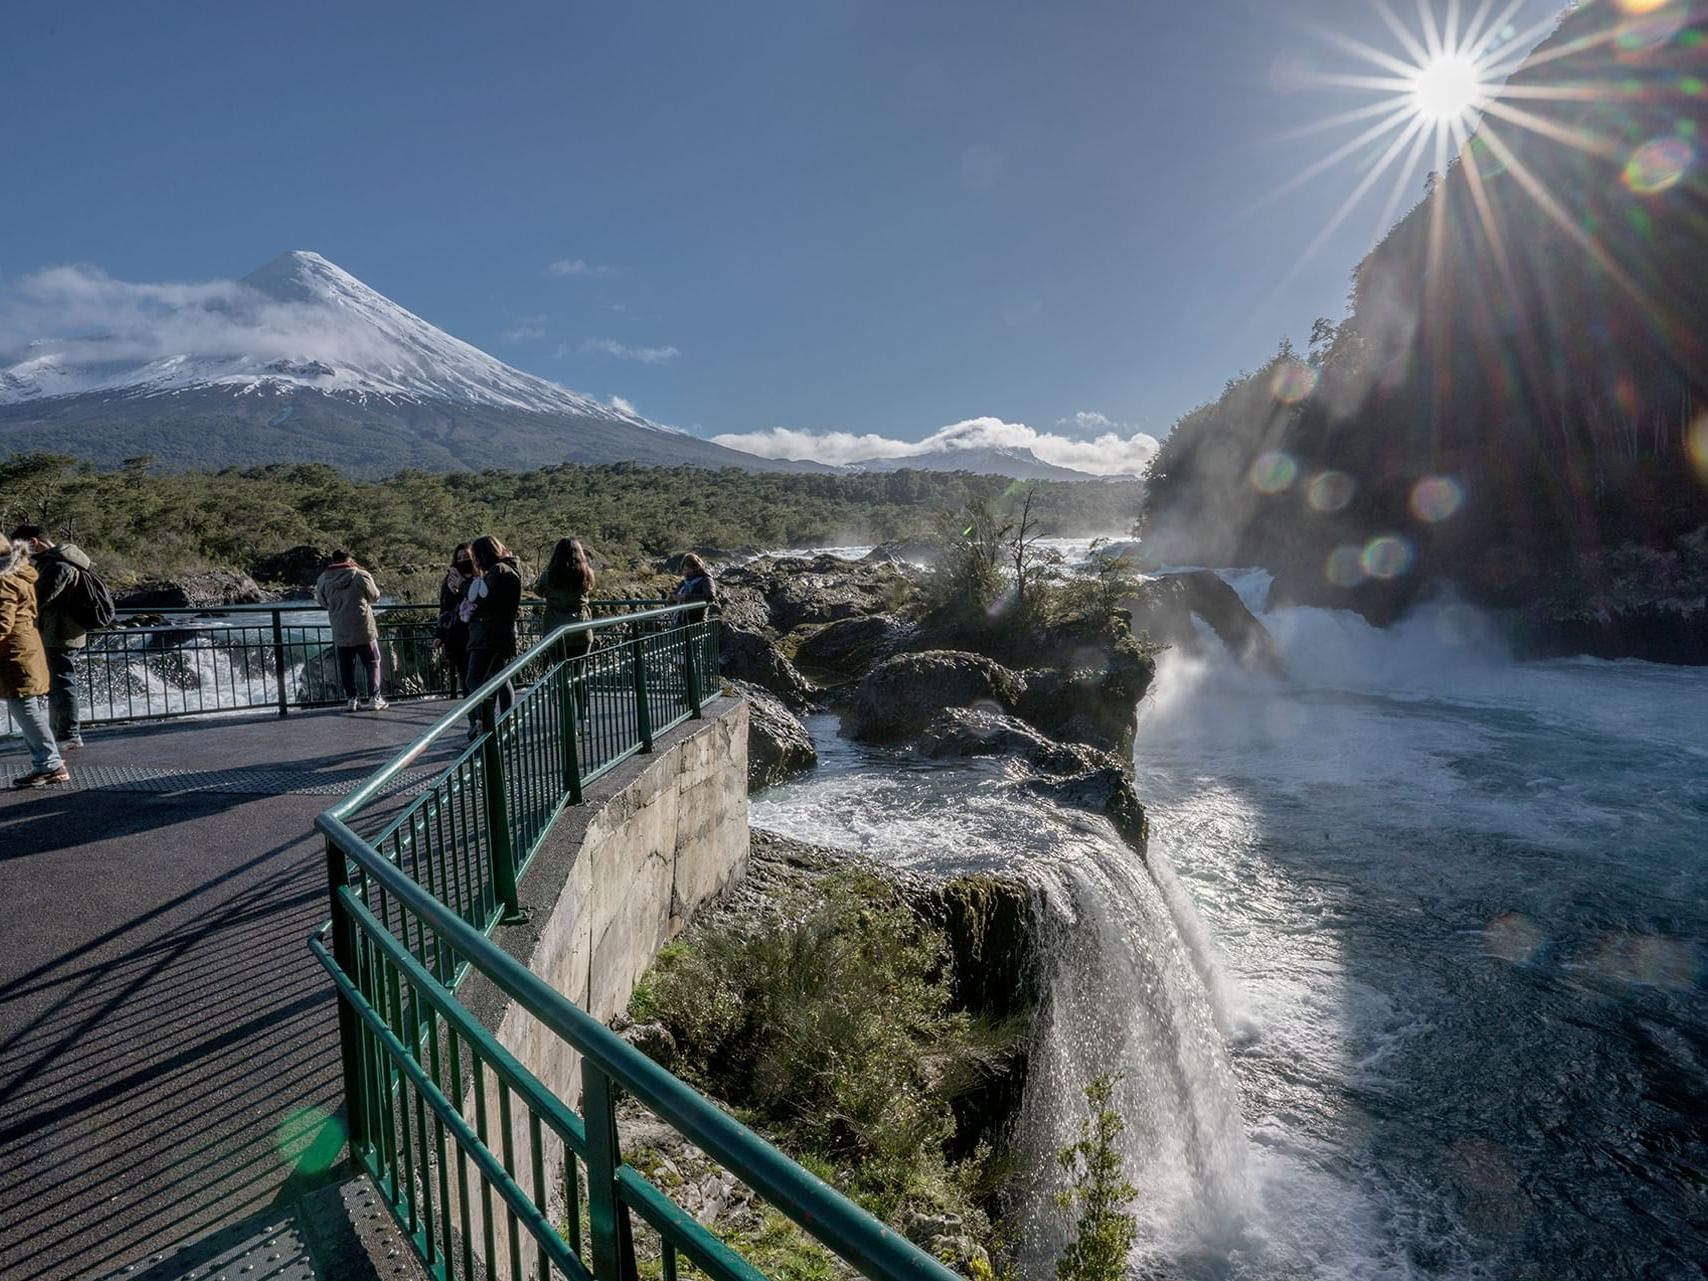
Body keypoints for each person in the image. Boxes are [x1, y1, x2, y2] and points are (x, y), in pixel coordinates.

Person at [9, 524, 93, 750]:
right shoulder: (60, 561)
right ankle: (59, 732)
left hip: (59, 633)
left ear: (34, 542)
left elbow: (37, 599)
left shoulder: (59, 565)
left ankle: (68, 735)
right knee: (58, 682)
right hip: (61, 631)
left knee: (61, 683)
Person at [0, 534, 69, 788]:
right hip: (21, 650)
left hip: (14, 655)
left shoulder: (4, 579)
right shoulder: (18, 573)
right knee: (26, 710)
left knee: (26, 710)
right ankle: (47, 764)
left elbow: (2, 622)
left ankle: (50, 764)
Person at [313, 550, 388, 711]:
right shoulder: (361, 575)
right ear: (349, 559)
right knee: (373, 662)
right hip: (363, 627)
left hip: (340, 628)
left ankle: (352, 699)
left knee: (347, 666)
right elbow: (375, 596)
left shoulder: (323, 579)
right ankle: (374, 698)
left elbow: (322, 602)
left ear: (333, 561)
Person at [462, 534, 522, 733]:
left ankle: (484, 723)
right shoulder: (508, 569)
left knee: (474, 680)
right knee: (500, 677)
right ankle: (507, 722)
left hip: (489, 635)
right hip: (501, 634)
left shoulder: (498, 572)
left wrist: (463, 586)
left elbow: (485, 601)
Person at [534, 538, 596, 657]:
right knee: (579, 673)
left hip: (555, 629)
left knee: (559, 672)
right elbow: (589, 588)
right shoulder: (586, 573)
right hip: (581, 627)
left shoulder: (549, 575)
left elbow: (539, 591)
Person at [434, 543, 475, 696]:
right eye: (460, 558)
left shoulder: (481, 577)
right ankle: (473, 716)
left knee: (478, 675)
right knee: (465, 675)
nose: (463, 560)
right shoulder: (450, 579)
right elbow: (445, 608)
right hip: (457, 633)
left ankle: (484, 715)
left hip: (476, 632)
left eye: (466, 557)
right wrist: (439, 634)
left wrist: (462, 588)